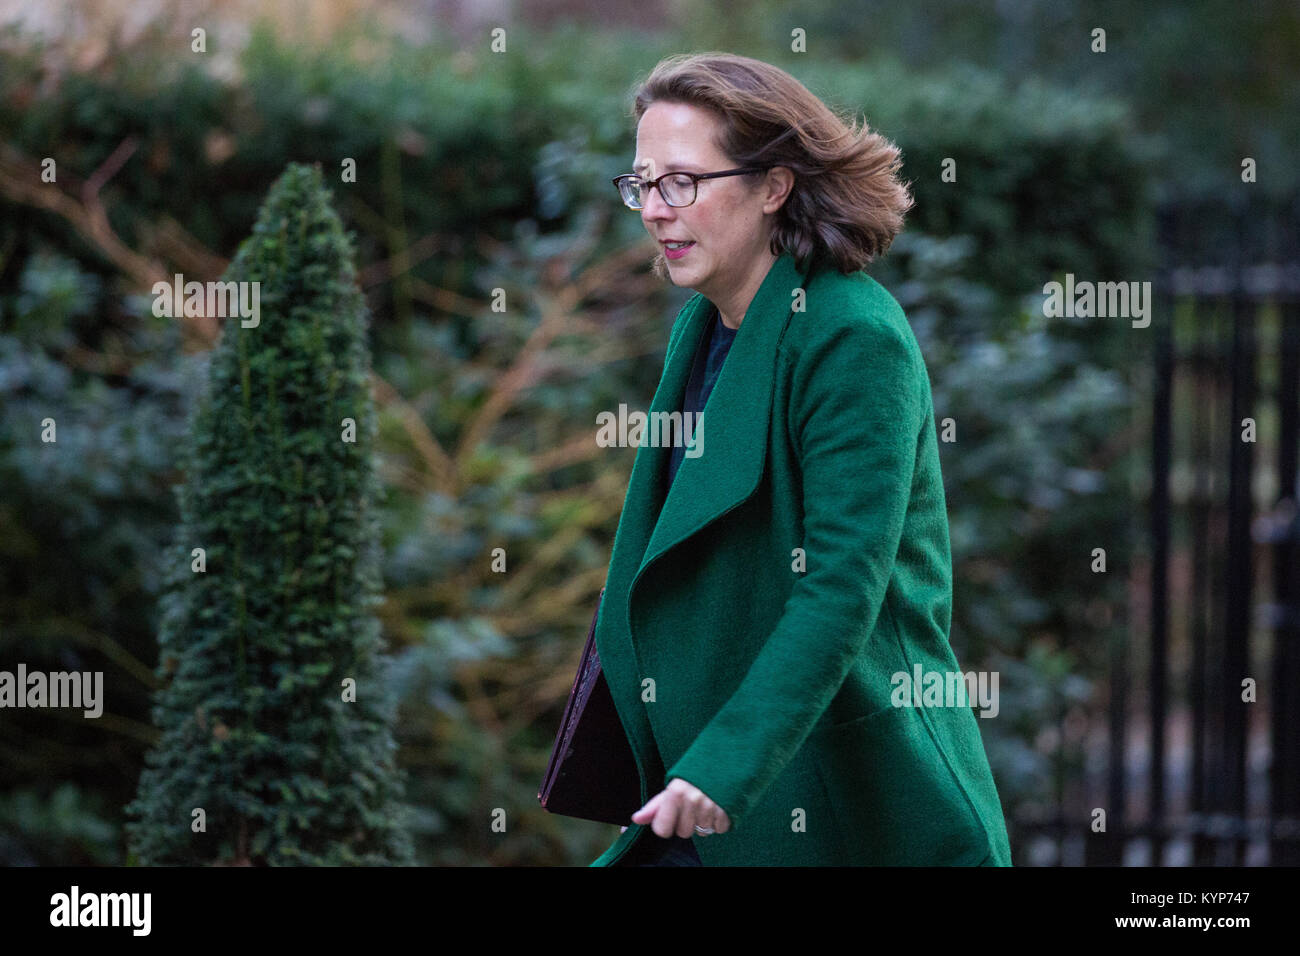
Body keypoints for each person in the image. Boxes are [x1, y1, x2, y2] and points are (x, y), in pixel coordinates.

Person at [589, 52, 1012, 866]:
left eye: (682, 182)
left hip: (846, 795)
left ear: (773, 186)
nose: (652, 209)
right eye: (641, 183)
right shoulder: (704, 326)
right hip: (706, 783)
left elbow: (840, 586)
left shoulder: (854, 334)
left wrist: (723, 768)